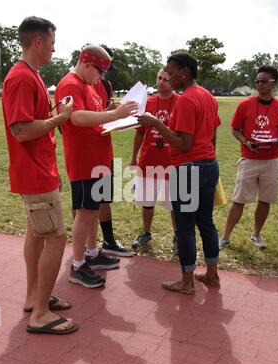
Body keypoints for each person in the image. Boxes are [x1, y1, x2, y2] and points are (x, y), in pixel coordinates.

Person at [2, 16, 78, 334]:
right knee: (56, 238)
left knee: (37, 234)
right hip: (33, 173)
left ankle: (35, 298)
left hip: (38, 171)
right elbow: (20, 130)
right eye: (51, 41)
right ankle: (41, 314)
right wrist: (60, 118)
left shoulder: (30, 75)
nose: (53, 47)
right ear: (38, 42)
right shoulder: (21, 78)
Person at [55, 44, 138, 288]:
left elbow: (94, 115)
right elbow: (76, 117)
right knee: (85, 212)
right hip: (85, 161)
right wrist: (114, 115)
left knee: (94, 210)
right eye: (100, 71)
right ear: (87, 65)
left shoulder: (89, 86)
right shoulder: (71, 84)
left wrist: (114, 113)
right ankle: (78, 264)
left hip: (99, 158)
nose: (102, 77)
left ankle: (92, 253)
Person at [138, 53, 221, 294]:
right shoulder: (207, 96)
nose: (169, 78)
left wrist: (156, 123)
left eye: (171, 73)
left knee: (184, 227)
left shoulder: (186, 100)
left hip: (187, 168)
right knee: (206, 222)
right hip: (208, 164)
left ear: (184, 72)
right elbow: (213, 134)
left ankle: (187, 281)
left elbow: (184, 143)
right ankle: (212, 275)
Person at [219, 65, 278, 251]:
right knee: (239, 200)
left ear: (273, 83)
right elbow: (235, 129)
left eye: (264, 81)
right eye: (257, 81)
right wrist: (246, 141)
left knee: (265, 200)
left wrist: (277, 142)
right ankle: (225, 237)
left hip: (272, 160)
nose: (260, 84)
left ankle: (256, 234)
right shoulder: (245, 105)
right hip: (249, 158)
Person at [130, 68, 180, 254]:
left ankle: (177, 236)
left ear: (173, 81)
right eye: (159, 78)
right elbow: (139, 133)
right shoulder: (149, 102)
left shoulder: (180, 103)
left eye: (166, 79)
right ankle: (146, 232)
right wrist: (133, 157)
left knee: (173, 204)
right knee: (147, 202)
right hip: (148, 160)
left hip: (171, 162)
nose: (161, 82)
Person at [93, 44, 134, 257]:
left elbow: (105, 113)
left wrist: (118, 115)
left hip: (104, 148)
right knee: (83, 203)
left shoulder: (106, 85)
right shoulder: (77, 85)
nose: (104, 73)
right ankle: (85, 246)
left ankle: (108, 240)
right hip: (86, 152)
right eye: (101, 69)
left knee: (104, 198)